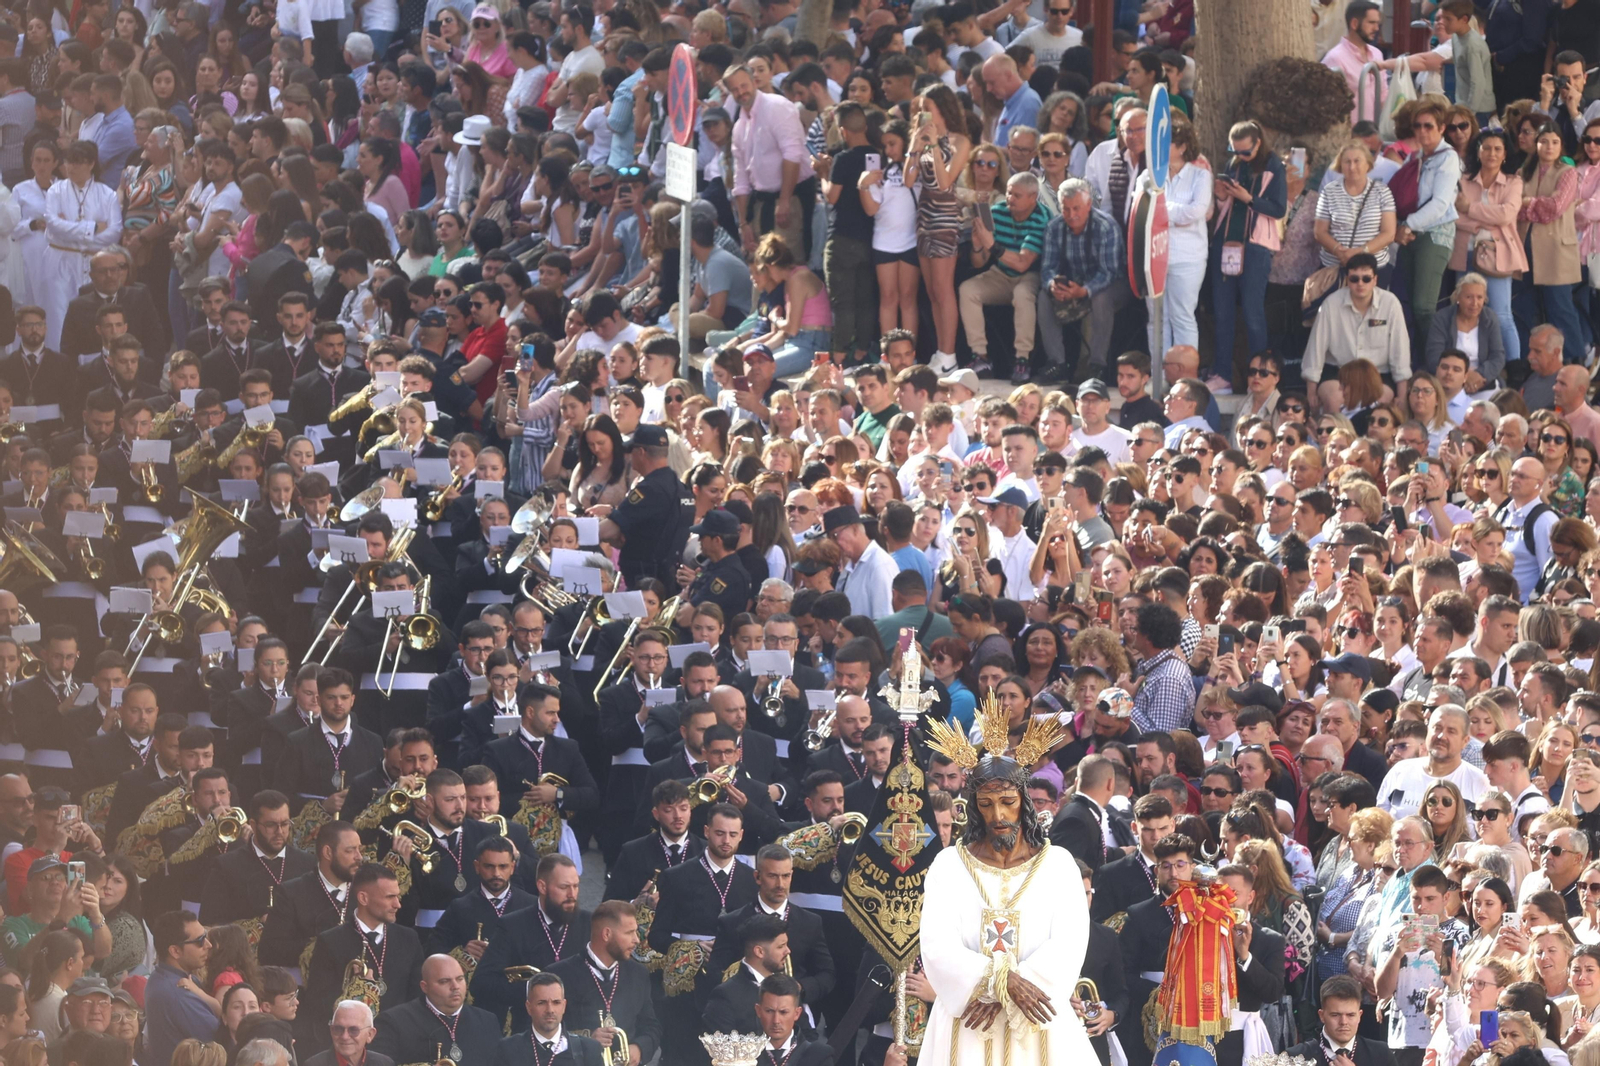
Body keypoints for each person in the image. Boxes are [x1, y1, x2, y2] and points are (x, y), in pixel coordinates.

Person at [960, 172, 1049, 381]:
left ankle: (1022, 359)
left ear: (1033, 197)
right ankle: (980, 356)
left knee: (1022, 294)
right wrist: (976, 244)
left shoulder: (1041, 218)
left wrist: (991, 245)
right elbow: (978, 263)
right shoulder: (996, 213)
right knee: (968, 289)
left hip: (1031, 275)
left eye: (1017, 195)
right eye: (1009, 193)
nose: (1010, 199)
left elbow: (1022, 264)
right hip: (1000, 274)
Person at [1039, 177, 1128, 383]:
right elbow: (1047, 267)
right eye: (1066, 209)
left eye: (1077, 208)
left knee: (1100, 298)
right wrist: (1053, 284)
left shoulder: (1106, 227)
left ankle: (1097, 365)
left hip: (1113, 285)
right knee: (1044, 297)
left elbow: (1109, 272)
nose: (1072, 215)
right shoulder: (1054, 227)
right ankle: (1057, 363)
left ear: (1089, 205)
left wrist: (1084, 290)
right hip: (1074, 283)